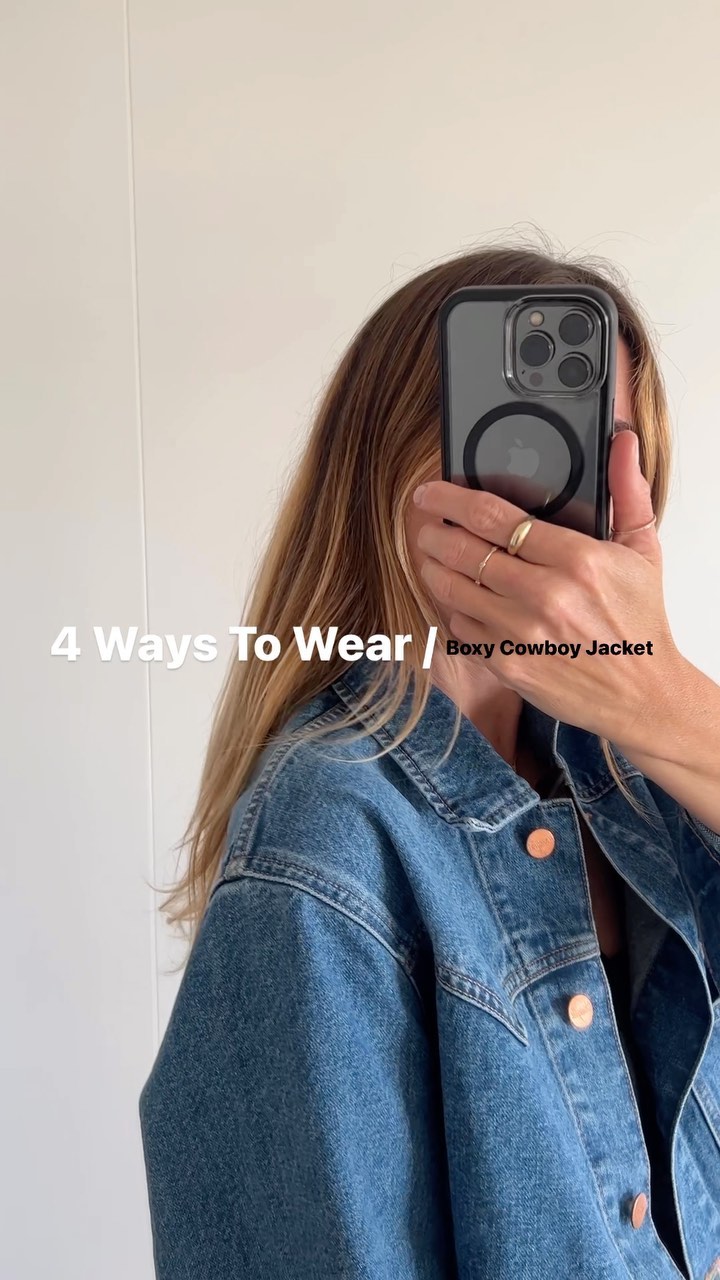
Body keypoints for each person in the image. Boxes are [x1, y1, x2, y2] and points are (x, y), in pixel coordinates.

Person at [139, 244, 720, 1280]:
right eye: (510, 428)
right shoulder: (328, 838)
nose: (543, 471)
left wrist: (667, 699)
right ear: (399, 461)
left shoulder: (644, 785)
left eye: (600, 443)